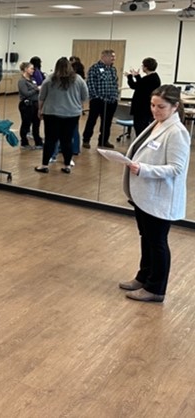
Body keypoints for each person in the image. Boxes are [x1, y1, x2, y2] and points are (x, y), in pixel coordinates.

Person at [120, 84, 190, 303]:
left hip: (159, 197)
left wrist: (143, 169)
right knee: (146, 238)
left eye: (161, 106)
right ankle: (143, 277)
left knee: (157, 242)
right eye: (152, 105)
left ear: (175, 106)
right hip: (145, 195)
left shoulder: (177, 132)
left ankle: (156, 288)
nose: (155, 110)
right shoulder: (157, 124)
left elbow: (176, 168)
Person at [35, 57, 89, 174]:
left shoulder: (49, 80)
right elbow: (85, 96)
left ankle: (44, 165)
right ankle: (67, 165)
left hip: (52, 113)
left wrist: (40, 110)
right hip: (71, 114)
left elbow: (41, 97)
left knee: (50, 140)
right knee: (67, 140)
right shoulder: (78, 80)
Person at [82, 49, 118, 149]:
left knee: (107, 122)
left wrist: (115, 97)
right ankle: (86, 139)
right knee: (92, 120)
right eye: (112, 57)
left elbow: (115, 84)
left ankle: (103, 140)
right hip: (98, 100)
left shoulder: (112, 69)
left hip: (111, 100)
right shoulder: (94, 68)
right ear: (104, 57)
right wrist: (97, 97)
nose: (114, 59)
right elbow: (91, 84)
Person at [126, 57, 161, 135]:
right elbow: (141, 85)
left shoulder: (149, 79)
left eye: (143, 65)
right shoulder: (153, 77)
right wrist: (137, 76)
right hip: (145, 107)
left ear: (146, 67)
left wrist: (129, 77)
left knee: (140, 127)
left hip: (142, 108)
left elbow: (134, 86)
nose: (142, 67)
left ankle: (140, 145)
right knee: (142, 126)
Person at [17, 61, 43, 150]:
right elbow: (26, 93)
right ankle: (24, 142)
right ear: (25, 69)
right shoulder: (22, 81)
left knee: (36, 124)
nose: (33, 70)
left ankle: (38, 142)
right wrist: (36, 89)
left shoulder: (32, 80)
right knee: (26, 124)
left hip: (35, 104)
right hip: (26, 105)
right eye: (31, 68)